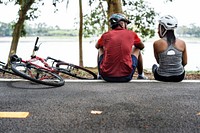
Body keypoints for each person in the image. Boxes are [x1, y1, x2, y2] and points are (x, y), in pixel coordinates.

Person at [95, 13, 147, 82]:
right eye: (126, 23)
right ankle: (140, 75)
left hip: (106, 76)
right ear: (122, 24)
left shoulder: (105, 35)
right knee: (137, 49)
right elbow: (142, 46)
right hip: (126, 76)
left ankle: (100, 75)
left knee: (100, 49)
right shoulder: (131, 34)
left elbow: (97, 46)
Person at [152, 15, 187, 82]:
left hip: (162, 77)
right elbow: (185, 62)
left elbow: (158, 62)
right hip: (179, 77)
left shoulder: (156, 43)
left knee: (154, 66)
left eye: (158, 28)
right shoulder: (182, 43)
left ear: (162, 28)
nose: (157, 31)